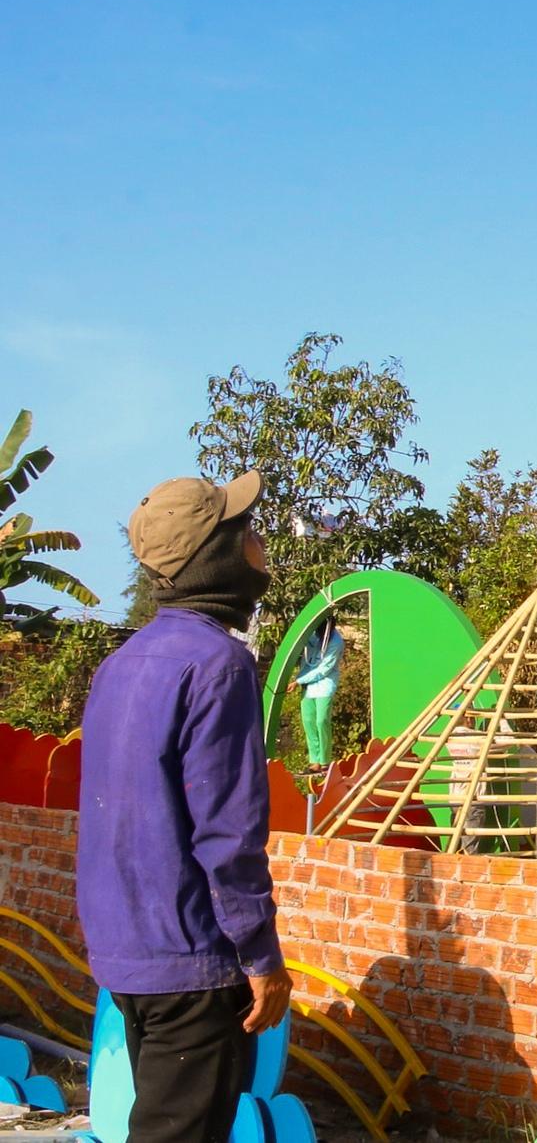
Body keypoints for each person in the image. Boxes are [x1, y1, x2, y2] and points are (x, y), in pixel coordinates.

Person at [79, 472, 294, 1143]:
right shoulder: (219, 666)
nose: (261, 543)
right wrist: (260, 956)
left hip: (127, 953)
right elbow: (226, 836)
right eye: (247, 531)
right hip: (193, 958)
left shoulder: (122, 664)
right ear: (216, 557)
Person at [291, 619, 345, 771]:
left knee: (321, 721)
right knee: (308, 721)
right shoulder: (314, 636)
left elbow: (324, 669)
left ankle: (324, 760)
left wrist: (299, 681)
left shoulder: (336, 641)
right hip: (307, 685)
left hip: (324, 685)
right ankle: (314, 761)